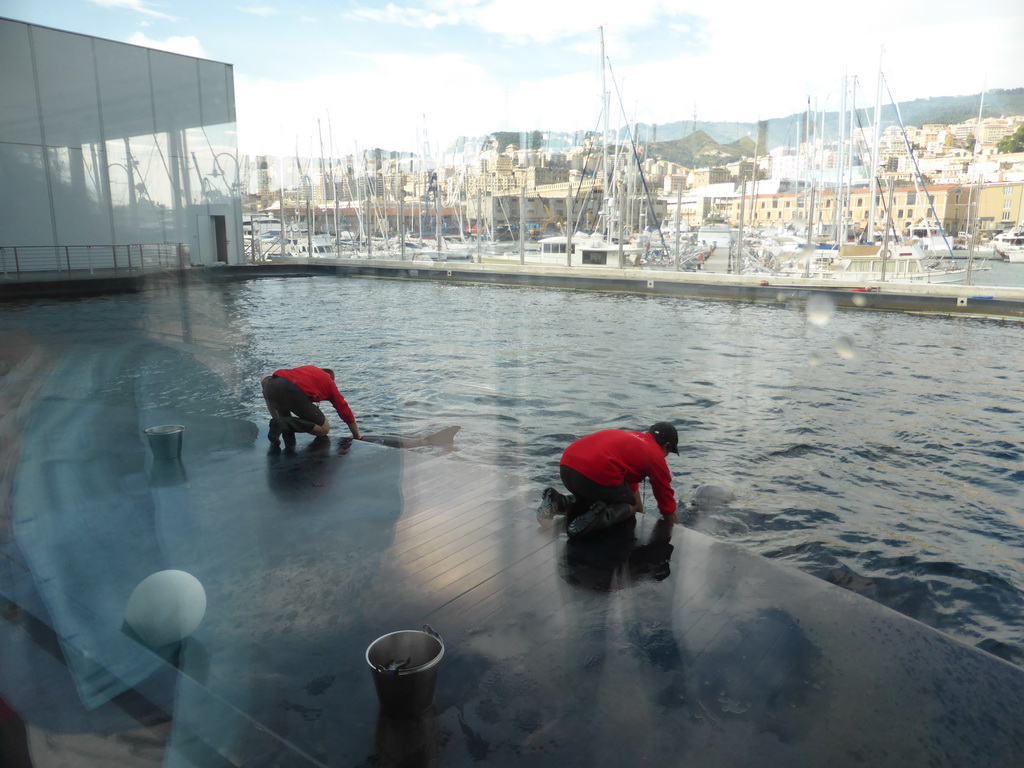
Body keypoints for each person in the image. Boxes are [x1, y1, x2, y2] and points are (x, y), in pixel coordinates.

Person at [538, 422, 679, 539]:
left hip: (567, 467)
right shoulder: (656, 456)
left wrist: (639, 510)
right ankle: (597, 519)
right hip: (594, 475)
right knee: (623, 505)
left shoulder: (633, 438)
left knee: (599, 494)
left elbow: (630, 485)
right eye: (669, 452)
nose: (666, 456)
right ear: (667, 446)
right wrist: (674, 529)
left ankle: (558, 502)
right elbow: (665, 500)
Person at [261, 366, 361, 448]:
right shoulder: (330, 384)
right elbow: (344, 409)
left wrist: (276, 418)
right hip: (292, 391)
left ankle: (289, 444)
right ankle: (282, 423)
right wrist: (356, 435)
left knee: (284, 415)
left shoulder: (308, 371)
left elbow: (270, 395)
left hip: (271, 385)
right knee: (324, 428)